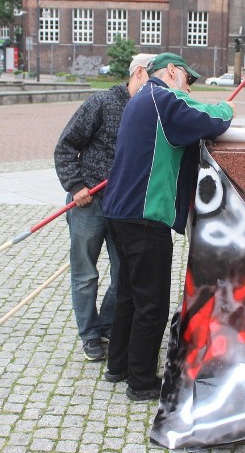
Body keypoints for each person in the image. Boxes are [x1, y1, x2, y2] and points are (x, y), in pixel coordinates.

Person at [102, 53, 235, 401]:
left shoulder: (140, 99)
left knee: (129, 294)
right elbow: (210, 119)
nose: (189, 89)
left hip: (118, 212)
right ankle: (142, 381)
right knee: (152, 303)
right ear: (173, 72)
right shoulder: (164, 96)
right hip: (145, 216)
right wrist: (226, 108)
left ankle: (117, 366)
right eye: (188, 82)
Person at [54, 53, 156, 362]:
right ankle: (89, 334)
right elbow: (66, 146)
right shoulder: (101, 103)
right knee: (85, 272)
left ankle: (108, 324)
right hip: (88, 202)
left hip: (123, 206)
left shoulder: (153, 110)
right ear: (139, 73)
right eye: (155, 78)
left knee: (123, 270)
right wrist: (75, 187)